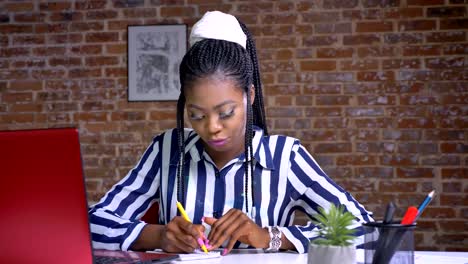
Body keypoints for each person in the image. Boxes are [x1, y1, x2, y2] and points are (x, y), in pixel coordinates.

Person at [89, 11, 373, 255]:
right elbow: (91, 223)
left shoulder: (284, 158)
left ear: (249, 96)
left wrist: (270, 237)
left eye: (226, 113)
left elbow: (367, 229)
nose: (211, 127)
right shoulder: (167, 150)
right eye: (196, 115)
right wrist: (159, 236)